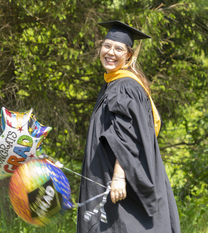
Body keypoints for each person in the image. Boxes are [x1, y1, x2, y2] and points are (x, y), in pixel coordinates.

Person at [77, 20, 180, 233]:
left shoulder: (124, 87)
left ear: (129, 55)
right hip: (109, 178)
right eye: (106, 46)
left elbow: (127, 134)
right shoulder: (113, 84)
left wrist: (119, 177)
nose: (110, 52)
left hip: (117, 182)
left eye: (118, 48)